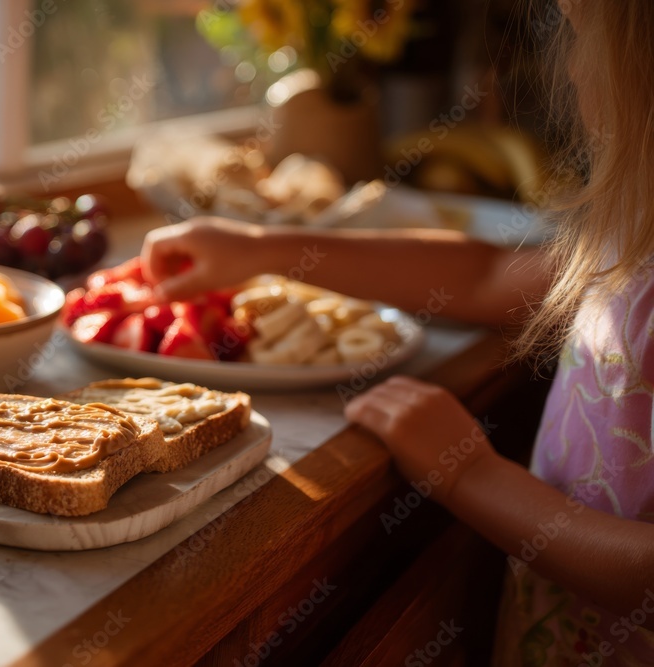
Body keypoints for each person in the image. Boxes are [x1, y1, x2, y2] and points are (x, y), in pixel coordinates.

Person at [140, 2, 654, 664]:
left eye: (584, 35)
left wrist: (468, 472)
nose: (574, 67)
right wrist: (263, 247)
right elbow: (492, 274)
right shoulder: (635, 221)